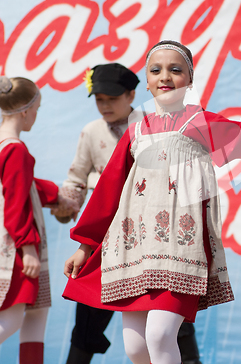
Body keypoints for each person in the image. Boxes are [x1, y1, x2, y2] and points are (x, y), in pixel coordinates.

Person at [62, 40, 241, 364]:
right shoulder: (137, 130)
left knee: (160, 336)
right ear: (146, 81)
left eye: (176, 69)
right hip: (131, 250)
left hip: (180, 250)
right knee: (135, 347)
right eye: (156, 69)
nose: (165, 76)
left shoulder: (200, 123)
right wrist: (85, 245)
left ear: (189, 79)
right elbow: (109, 192)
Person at [51, 63, 204, 364]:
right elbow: (77, 178)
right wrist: (66, 201)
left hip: (150, 234)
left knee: (166, 318)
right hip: (105, 235)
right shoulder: (92, 132)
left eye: (112, 98)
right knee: (89, 316)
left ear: (132, 93)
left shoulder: (153, 124)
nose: (105, 105)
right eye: (99, 99)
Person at [0, 76, 78, 364]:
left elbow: (25, 185)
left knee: (35, 314)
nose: (36, 115)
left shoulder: (5, 147)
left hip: (16, 242)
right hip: (15, 247)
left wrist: (58, 195)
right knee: (12, 320)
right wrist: (27, 247)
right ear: (24, 110)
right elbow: (15, 200)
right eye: (37, 109)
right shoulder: (15, 150)